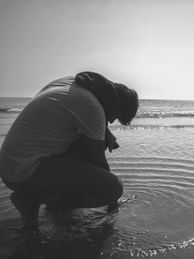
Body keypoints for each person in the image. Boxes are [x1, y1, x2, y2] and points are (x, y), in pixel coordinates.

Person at [0, 71, 139, 230]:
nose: (112, 120)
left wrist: (105, 133)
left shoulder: (73, 83)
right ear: (115, 105)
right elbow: (98, 161)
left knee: (98, 139)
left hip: (10, 163)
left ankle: (54, 204)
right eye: (117, 116)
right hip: (23, 171)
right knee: (114, 188)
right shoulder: (92, 107)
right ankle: (31, 198)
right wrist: (114, 201)